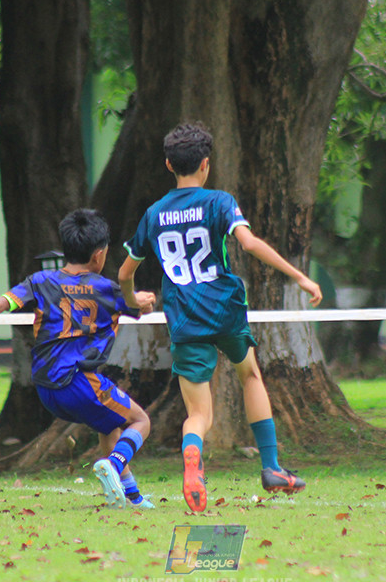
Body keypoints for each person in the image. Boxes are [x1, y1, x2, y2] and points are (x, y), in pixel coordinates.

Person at [118, 122, 323, 513]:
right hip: (225, 309)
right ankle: (272, 468)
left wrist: (136, 301)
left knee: (198, 414)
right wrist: (299, 276)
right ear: (206, 165)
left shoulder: (154, 214)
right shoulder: (218, 202)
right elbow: (249, 243)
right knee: (250, 374)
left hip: (184, 318)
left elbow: (125, 274)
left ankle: (193, 462)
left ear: (168, 164)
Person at [0, 209, 157, 509]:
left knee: (109, 427)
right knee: (140, 421)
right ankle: (113, 464)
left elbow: (0, 303)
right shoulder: (108, 291)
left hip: (46, 389)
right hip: (80, 383)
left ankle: (132, 497)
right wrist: (144, 300)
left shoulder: (40, 281)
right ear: (99, 255)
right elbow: (142, 310)